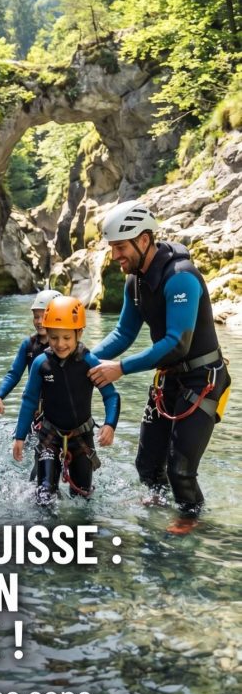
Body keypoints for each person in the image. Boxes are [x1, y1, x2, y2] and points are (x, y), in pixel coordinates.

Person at [87, 200, 231, 528]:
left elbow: (177, 343)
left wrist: (121, 368)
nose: (115, 256)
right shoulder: (135, 282)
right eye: (112, 248)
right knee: (147, 466)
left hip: (203, 378)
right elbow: (123, 333)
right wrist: (83, 360)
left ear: (144, 239)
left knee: (180, 470)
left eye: (121, 247)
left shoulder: (181, 277)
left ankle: (190, 520)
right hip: (168, 379)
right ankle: (158, 502)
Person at [12, 296, 120, 505]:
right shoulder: (41, 364)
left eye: (67, 338)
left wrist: (110, 424)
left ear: (79, 333)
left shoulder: (89, 362)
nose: (60, 344)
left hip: (81, 439)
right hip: (49, 437)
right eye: (54, 337)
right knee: (44, 496)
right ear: (47, 334)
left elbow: (111, 395)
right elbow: (29, 400)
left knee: (83, 496)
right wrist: (20, 436)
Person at [0, 289, 62, 417]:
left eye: (44, 316)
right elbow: (14, 374)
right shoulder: (29, 344)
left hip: (59, 407)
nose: (39, 321)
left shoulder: (65, 347)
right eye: (36, 317)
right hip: (33, 407)